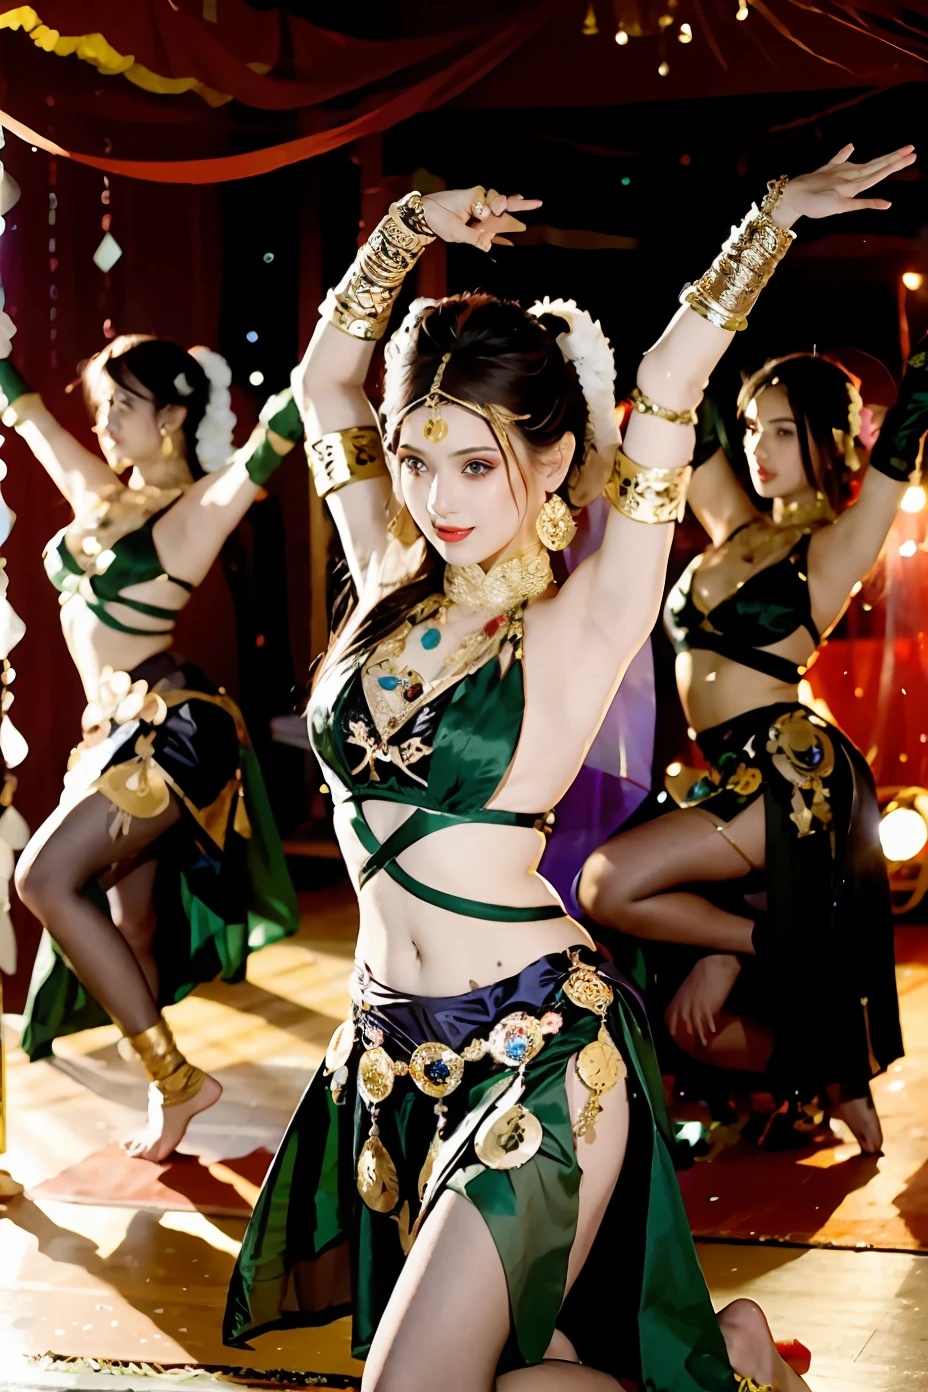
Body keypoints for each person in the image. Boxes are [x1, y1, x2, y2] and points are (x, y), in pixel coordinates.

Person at [225, 148, 913, 1391]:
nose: (436, 496)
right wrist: (405, 228)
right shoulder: (384, 575)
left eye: (475, 464)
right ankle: (735, 1372)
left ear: (551, 464)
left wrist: (770, 222)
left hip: (537, 1051)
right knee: (509, 1374)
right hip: (386, 1058)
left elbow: (662, 385)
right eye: (418, 459)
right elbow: (328, 381)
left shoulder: (584, 613)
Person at [579, 338, 928, 1155]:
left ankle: (777, 972)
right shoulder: (730, 523)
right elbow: (681, 401)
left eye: (781, 431)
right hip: (724, 773)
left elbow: (908, 428)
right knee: (681, 1021)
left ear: (829, 441)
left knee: (608, 882)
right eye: (752, 429)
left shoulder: (836, 547)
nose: (757, 448)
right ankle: (822, 1072)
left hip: (792, 773)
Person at [3, 334, 303, 1162]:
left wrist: (334, 351)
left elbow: (272, 440)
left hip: (173, 730)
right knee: (129, 928)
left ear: (172, 416)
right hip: (115, 733)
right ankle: (167, 1098)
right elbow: (28, 416)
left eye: (125, 407)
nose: (103, 423)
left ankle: (177, 1080)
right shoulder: (101, 494)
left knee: (43, 878)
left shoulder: (197, 513)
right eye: (102, 405)